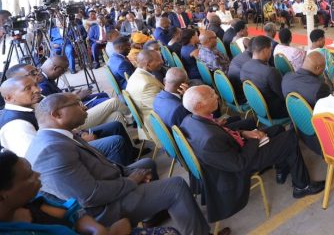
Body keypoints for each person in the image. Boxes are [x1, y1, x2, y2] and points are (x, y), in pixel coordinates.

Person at [25, 93, 219, 234]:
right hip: (102, 210)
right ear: (57, 114)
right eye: (77, 104)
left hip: (107, 186)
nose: (84, 107)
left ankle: (152, 216)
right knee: (176, 186)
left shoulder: (60, 135)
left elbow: (101, 163)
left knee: (146, 164)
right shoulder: (52, 150)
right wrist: (131, 181)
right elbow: (90, 196)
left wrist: (128, 172)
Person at [179, 86, 324, 223]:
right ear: (199, 106)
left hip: (235, 148)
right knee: (290, 138)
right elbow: (239, 164)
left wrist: (244, 133)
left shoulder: (190, 119)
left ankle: (282, 169)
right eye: (211, 96)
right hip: (241, 164)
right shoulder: (210, 140)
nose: (216, 96)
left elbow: (223, 133)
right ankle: (302, 187)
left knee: (278, 129)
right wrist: (254, 139)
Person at [0, 151, 159, 235]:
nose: (37, 174)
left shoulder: (32, 203)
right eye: (28, 176)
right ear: (3, 194)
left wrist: (96, 229)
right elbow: (90, 196)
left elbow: (72, 214)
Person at [0, 77, 136, 166]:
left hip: (67, 138)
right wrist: (81, 141)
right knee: (115, 142)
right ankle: (122, 181)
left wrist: (78, 134)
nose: (38, 89)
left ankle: (130, 157)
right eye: (27, 89)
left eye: (35, 85)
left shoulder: (30, 106)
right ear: (9, 98)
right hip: (63, 154)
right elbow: (40, 160)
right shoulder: (16, 126)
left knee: (115, 125)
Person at [39, 56, 128, 129]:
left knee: (114, 111)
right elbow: (58, 107)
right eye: (63, 70)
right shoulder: (43, 85)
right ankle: (133, 118)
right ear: (55, 68)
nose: (62, 73)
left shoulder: (48, 79)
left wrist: (72, 95)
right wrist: (76, 98)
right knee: (113, 102)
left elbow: (58, 98)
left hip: (73, 104)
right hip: (73, 113)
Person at [239, 36, 287, 119]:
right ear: (265, 50)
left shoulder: (244, 67)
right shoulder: (270, 72)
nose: (271, 53)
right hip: (274, 112)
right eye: (270, 50)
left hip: (257, 109)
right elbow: (284, 96)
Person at [125, 51, 164, 140]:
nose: (162, 62)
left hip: (147, 114)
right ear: (148, 64)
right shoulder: (147, 84)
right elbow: (162, 108)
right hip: (157, 124)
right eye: (158, 60)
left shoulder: (136, 74)